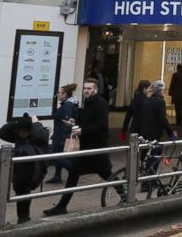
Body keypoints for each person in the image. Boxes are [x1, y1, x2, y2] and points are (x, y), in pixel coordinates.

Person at [43, 78, 125, 216]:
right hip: (88, 147)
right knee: (76, 173)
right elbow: (87, 120)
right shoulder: (89, 102)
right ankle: (62, 206)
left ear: (96, 89)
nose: (86, 91)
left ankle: (125, 195)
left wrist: (83, 131)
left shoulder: (100, 103)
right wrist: (75, 121)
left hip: (97, 147)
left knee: (105, 173)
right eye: (85, 88)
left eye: (89, 88)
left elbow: (102, 124)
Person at [0, 114, 49, 224]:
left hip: (34, 171)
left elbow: (41, 135)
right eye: (19, 131)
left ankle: (23, 218)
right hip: (20, 172)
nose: (21, 133)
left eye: (24, 131)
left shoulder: (38, 136)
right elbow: (1, 132)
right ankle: (23, 218)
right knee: (21, 194)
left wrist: (36, 122)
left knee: (24, 194)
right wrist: (16, 122)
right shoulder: (18, 137)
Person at [138, 80, 177, 188]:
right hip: (154, 134)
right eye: (163, 89)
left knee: (149, 157)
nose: (164, 91)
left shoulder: (147, 101)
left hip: (145, 132)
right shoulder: (160, 102)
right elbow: (162, 119)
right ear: (160, 90)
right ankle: (147, 184)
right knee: (154, 158)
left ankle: (151, 181)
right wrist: (170, 133)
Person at [47, 83, 79, 184]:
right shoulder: (68, 105)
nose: (57, 95)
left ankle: (74, 172)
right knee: (59, 157)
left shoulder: (67, 106)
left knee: (59, 157)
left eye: (59, 93)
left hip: (61, 136)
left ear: (65, 94)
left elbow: (67, 122)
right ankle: (57, 176)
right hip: (60, 135)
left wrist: (62, 138)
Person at [168, 63, 182, 129]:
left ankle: (178, 121)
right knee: (180, 107)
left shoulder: (175, 75)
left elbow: (172, 84)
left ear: (177, 68)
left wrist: (170, 92)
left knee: (177, 108)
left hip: (176, 93)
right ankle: (179, 121)